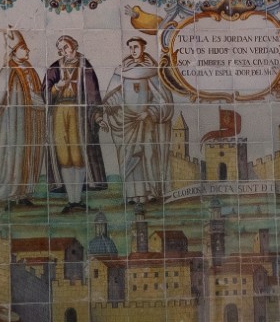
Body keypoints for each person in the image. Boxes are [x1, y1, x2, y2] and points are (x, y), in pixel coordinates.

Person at [0, 32, 54, 205]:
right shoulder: (7, 71)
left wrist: (43, 104)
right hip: (12, 123)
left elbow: (36, 95)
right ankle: (11, 194)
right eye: (24, 48)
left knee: (27, 156)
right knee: (14, 156)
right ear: (14, 51)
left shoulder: (29, 69)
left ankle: (23, 194)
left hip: (30, 122)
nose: (28, 51)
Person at [102, 37, 179, 204]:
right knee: (129, 157)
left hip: (146, 121)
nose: (133, 50)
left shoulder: (152, 71)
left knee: (148, 155)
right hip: (126, 121)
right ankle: (132, 195)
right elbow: (114, 95)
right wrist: (111, 105)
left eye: (136, 47)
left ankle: (151, 192)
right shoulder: (122, 71)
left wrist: (150, 112)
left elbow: (162, 99)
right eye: (130, 47)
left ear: (143, 48)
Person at [43, 35, 107, 210]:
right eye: (60, 49)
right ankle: (71, 201)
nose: (63, 51)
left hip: (79, 115)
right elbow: (45, 92)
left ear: (74, 45)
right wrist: (57, 86)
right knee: (64, 157)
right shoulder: (55, 67)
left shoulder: (85, 66)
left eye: (66, 47)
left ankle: (77, 200)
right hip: (59, 114)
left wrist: (98, 117)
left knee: (78, 156)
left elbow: (93, 95)